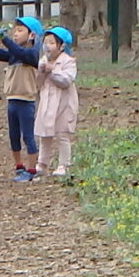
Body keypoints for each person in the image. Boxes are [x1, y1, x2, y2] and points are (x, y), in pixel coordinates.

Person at [0, 14, 45, 183]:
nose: (15, 33)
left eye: (20, 31)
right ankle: (19, 166)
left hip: (26, 101)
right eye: (15, 30)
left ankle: (31, 169)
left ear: (32, 36)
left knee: (28, 136)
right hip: (12, 100)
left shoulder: (31, 54)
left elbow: (20, 52)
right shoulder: (15, 54)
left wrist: (5, 40)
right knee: (13, 135)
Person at [38, 24, 80, 181]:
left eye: (51, 42)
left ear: (61, 46)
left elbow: (66, 81)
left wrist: (52, 71)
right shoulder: (43, 60)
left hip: (64, 102)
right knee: (44, 133)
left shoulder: (68, 62)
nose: (47, 46)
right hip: (47, 101)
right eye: (46, 42)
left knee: (62, 134)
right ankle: (42, 163)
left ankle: (64, 164)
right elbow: (39, 83)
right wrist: (41, 71)